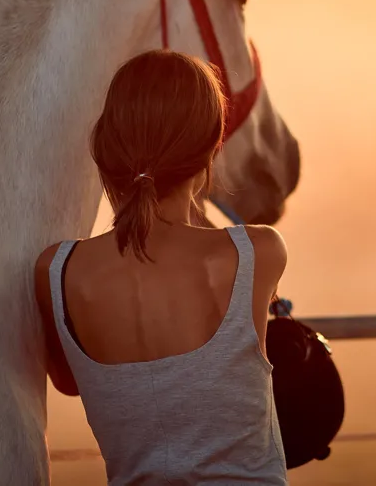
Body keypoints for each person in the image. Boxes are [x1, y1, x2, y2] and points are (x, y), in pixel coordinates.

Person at [34, 49, 289, 485]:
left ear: (107, 147)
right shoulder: (255, 253)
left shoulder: (56, 272)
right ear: (211, 146)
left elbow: (69, 382)